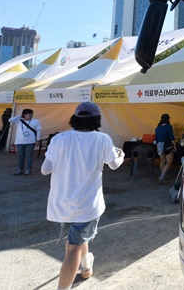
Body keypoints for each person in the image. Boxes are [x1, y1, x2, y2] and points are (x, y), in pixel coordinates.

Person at [41, 101, 124, 290]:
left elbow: (45, 170)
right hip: (87, 204)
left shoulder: (59, 139)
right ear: (97, 120)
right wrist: (120, 154)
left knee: (77, 240)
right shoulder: (102, 139)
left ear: (75, 119)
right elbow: (114, 165)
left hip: (62, 203)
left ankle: (86, 268)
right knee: (73, 247)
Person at [9, 108, 42, 175]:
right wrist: (19, 116)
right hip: (19, 141)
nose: (31, 115)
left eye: (32, 114)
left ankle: (28, 170)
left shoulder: (35, 121)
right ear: (24, 114)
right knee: (20, 156)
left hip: (30, 141)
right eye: (29, 114)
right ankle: (20, 169)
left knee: (28, 156)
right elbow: (10, 120)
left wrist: (38, 140)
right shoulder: (19, 120)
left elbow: (38, 130)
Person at [155, 113, 175, 184]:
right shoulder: (168, 126)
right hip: (167, 145)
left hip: (160, 145)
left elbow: (156, 139)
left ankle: (163, 175)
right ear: (168, 119)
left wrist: (157, 147)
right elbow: (171, 137)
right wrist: (174, 146)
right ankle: (162, 177)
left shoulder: (157, 128)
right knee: (169, 162)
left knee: (162, 161)